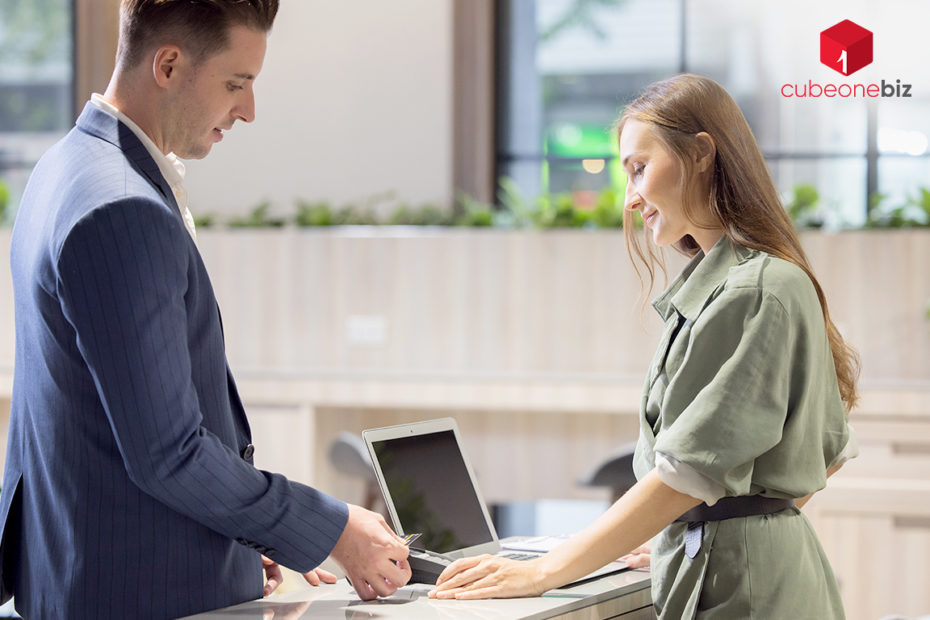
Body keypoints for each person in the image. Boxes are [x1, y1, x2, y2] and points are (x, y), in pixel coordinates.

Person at [0, 1, 410, 617]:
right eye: (235, 84)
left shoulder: (61, 169)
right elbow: (168, 453)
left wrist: (236, 536)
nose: (247, 110)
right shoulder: (122, 208)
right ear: (168, 64)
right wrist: (331, 530)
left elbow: (92, 422)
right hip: (136, 597)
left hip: (89, 571)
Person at [429, 74, 860, 619]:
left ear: (701, 153)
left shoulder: (754, 290)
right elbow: (826, 452)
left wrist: (544, 570)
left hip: (747, 591)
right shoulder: (746, 282)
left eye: (639, 169)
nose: (631, 199)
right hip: (751, 574)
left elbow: (689, 472)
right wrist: (706, 523)